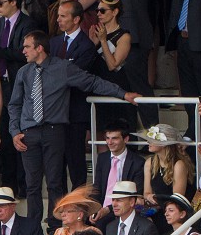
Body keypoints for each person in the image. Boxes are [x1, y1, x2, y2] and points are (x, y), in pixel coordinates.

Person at [9, 31, 139, 223]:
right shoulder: (23, 72)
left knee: (54, 182)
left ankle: (55, 225)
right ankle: (33, 229)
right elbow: (14, 104)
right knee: (32, 184)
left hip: (54, 130)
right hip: (29, 132)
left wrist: (123, 94)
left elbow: (93, 82)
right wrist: (14, 131)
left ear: (39, 48)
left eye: (27, 46)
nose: (23, 50)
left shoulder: (63, 68)